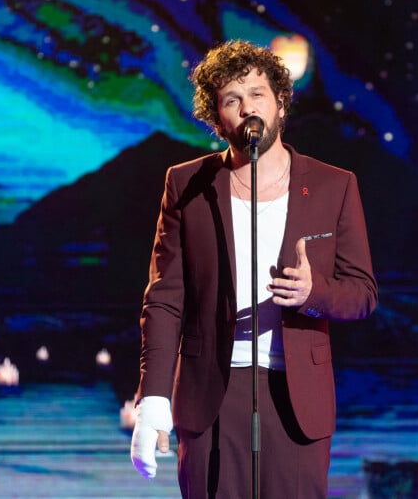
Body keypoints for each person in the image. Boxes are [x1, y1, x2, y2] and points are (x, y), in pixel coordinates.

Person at [130, 39, 378, 498]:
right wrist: (154, 403)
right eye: (231, 99)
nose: (247, 108)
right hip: (210, 395)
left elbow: (362, 293)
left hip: (295, 396)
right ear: (216, 116)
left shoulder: (334, 186)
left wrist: (314, 292)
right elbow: (165, 299)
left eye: (257, 94)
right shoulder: (186, 184)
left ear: (281, 104)